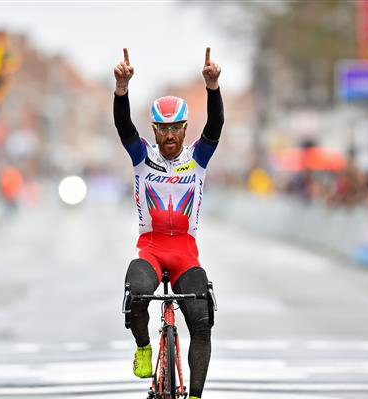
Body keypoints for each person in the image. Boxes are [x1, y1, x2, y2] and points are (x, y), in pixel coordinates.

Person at [113, 47, 223, 399]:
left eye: (177, 128)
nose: (171, 136)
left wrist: (213, 86)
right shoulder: (142, 156)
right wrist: (121, 90)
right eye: (164, 129)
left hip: (186, 254)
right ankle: (144, 346)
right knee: (136, 294)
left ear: (185, 129)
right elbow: (122, 126)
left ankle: (194, 396)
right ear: (156, 130)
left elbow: (216, 126)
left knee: (202, 319)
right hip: (152, 248)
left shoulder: (198, 159)